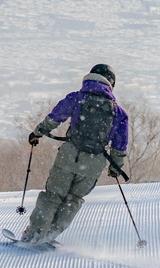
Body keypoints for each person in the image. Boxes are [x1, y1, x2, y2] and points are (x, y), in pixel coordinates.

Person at [21, 63, 129, 245]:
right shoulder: (118, 112)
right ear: (111, 83)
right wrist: (115, 167)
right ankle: (50, 235)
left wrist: (37, 133)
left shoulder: (77, 98)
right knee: (73, 199)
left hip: (69, 156)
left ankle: (34, 233)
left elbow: (55, 117)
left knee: (53, 195)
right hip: (94, 164)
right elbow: (120, 145)